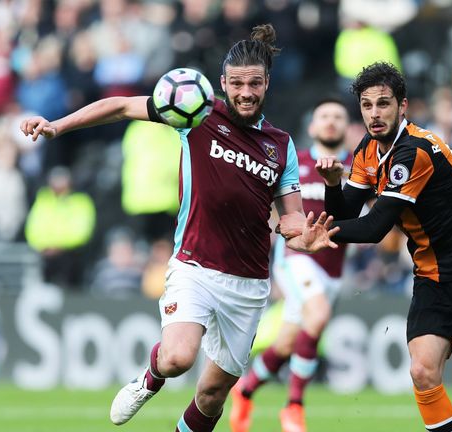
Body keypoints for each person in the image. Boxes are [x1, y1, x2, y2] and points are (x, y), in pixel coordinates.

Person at [20, 24, 337, 432]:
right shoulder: (196, 111)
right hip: (195, 266)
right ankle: (149, 378)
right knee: (177, 358)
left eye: (254, 84)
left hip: (249, 283)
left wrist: (302, 235)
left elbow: (290, 214)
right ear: (222, 83)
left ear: (267, 84)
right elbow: (119, 107)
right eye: (237, 83)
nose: (245, 92)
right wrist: (57, 126)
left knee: (211, 396)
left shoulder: (281, 145)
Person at [280, 62, 452, 431]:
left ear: (403, 106)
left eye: (383, 104)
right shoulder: (367, 150)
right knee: (422, 370)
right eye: (367, 106)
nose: (375, 114)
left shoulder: (414, 153)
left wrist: (319, 236)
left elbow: (375, 227)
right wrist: (334, 185)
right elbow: (346, 211)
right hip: (435, 276)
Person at [229, 98, 353, 432]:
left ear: (347, 127)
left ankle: (246, 388)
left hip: (334, 268)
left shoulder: (356, 170)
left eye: (337, 116)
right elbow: (267, 205)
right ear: (312, 127)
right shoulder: (294, 162)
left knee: (287, 342)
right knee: (318, 314)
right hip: (296, 259)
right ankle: (294, 406)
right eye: (323, 115)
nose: (330, 121)